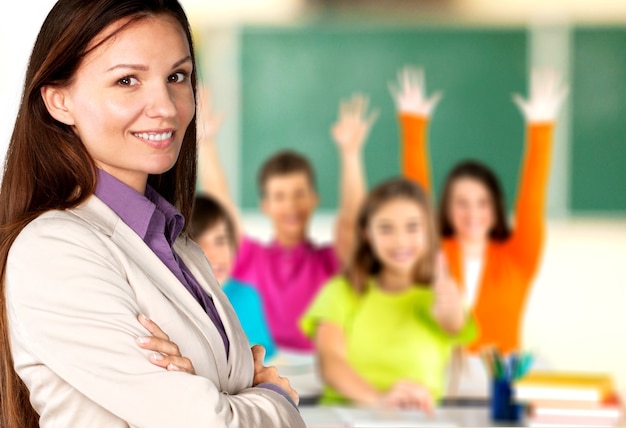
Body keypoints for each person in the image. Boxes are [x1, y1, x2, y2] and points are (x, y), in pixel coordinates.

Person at [0, 1, 305, 427]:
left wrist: (210, 393)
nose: (165, 106)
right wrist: (275, 398)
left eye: (176, 77)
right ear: (58, 100)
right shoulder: (53, 250)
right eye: (127, 80)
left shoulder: (177, 244)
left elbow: (206, 412)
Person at [390, 66, 567, 393]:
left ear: (496, 208)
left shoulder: (518, 257)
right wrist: (413, 125)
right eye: (461, 203)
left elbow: (532, 199)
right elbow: (414, 198)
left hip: (502, 383)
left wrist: (541, 129)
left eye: (482, 203)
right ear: (446, 208)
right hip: (442, 380)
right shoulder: (436, 250)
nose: (472, 213)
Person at [198, 90, 378, 352]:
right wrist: (205, 144)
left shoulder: (330, 261)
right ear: (265, 206)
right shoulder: (249, 257)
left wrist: (350, 154)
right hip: (260, 378)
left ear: (314, 199)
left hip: (321, 377)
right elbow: (220, 200)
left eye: (299, 194)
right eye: (280, 196)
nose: (291, 205)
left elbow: (352, 222)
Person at [300, 178, 477, 408]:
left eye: (412, 227)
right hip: (345, 416)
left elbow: (454, 324)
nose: (400, 240)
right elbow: (331, 363)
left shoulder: (439, 295)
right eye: (385, 228)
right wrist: (380, 401)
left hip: (418, 419)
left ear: (428, 231)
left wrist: (451, 309)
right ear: (366, 233)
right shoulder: (341, 291)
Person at [190, 195, 277, 361]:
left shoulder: (247, 297)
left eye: (221, 240)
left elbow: (266, 354)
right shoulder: (176, 302)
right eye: (197, 243)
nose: (212, 254)